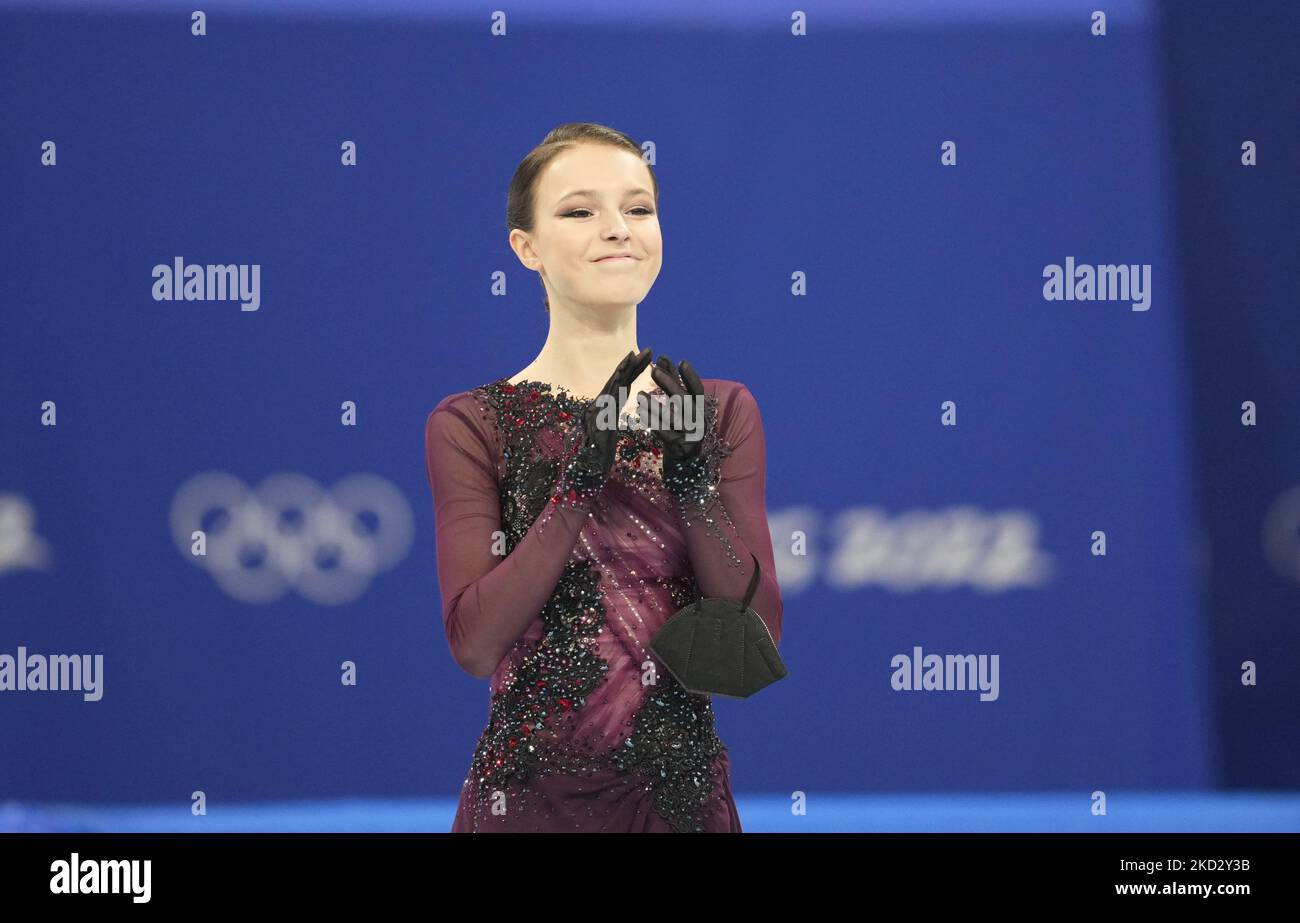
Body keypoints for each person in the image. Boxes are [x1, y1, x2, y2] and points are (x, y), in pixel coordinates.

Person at [423, 122, 782, 832]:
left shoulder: (720, 411)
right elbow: (474, 643)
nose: (617, 229)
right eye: (580, 210)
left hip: (678, 806)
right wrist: (577, 483)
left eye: (638, 208)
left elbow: (756, 639)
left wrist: (692, 487)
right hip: (525, 807)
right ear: (525, 248)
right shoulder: (472, 424)